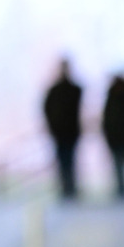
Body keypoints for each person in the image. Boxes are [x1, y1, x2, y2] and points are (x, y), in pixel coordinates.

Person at [43, 57, 83, 199]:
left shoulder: (73, 89)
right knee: (63, 163)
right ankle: (66, 191)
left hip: (69, 132)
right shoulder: (57, 90)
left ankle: (70, 190)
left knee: (69, 162)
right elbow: (47, 109)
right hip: (60, 132)